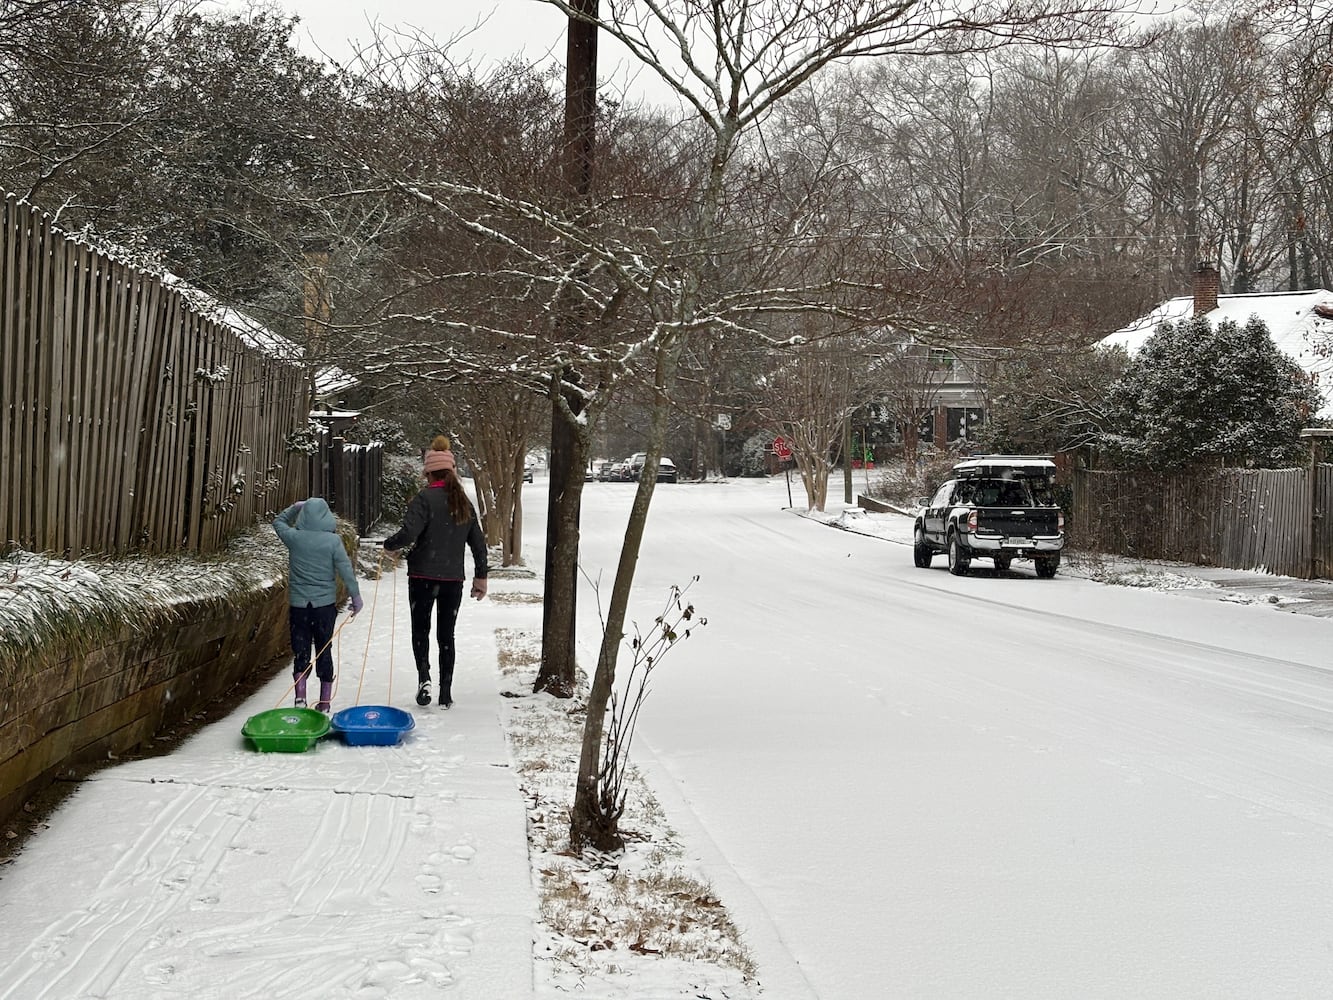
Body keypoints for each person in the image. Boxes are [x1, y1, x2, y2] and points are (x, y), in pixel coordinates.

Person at [383, 436, 488, 708]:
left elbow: (408, 533)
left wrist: (389, 545)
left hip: (422, 577)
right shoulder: (464, 502)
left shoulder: (424, 499)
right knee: (446, 635)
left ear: (428, 473)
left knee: (421, 630)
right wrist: (481, 577)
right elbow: (478, 544)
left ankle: (424, 678)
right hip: (453, 579)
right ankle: (446, 691)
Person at [273, 497, 363, 712]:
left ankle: (300, 698)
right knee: (324, 649)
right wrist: (355, 596)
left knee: (301, 650)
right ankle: (324, 703)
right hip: (325, 607)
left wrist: (294, 508)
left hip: (299, 606)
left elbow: (278, 522)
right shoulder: (333, 542)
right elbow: (346, 570)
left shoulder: (294, 538)